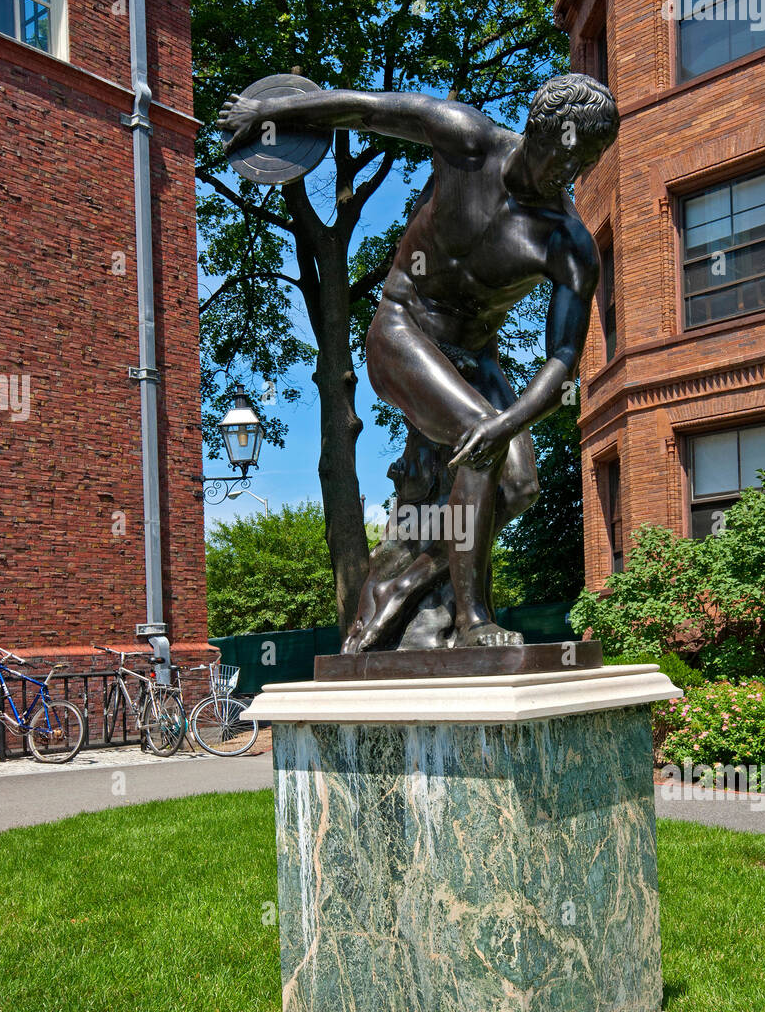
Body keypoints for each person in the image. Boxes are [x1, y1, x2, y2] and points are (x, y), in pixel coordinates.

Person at [219, 73, 619, 651]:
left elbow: (562, 358)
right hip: (402, 328)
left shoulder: (568, 243)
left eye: (584, 162)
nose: (570, 173)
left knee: (521, 485)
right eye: (565, 154)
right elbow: (366, 108)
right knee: (479, 442)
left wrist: (510, 420)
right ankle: (473, 620)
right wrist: (271, 113)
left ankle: (401, 581)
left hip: (474, 354)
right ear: (539, 130)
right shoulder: (467, 139)